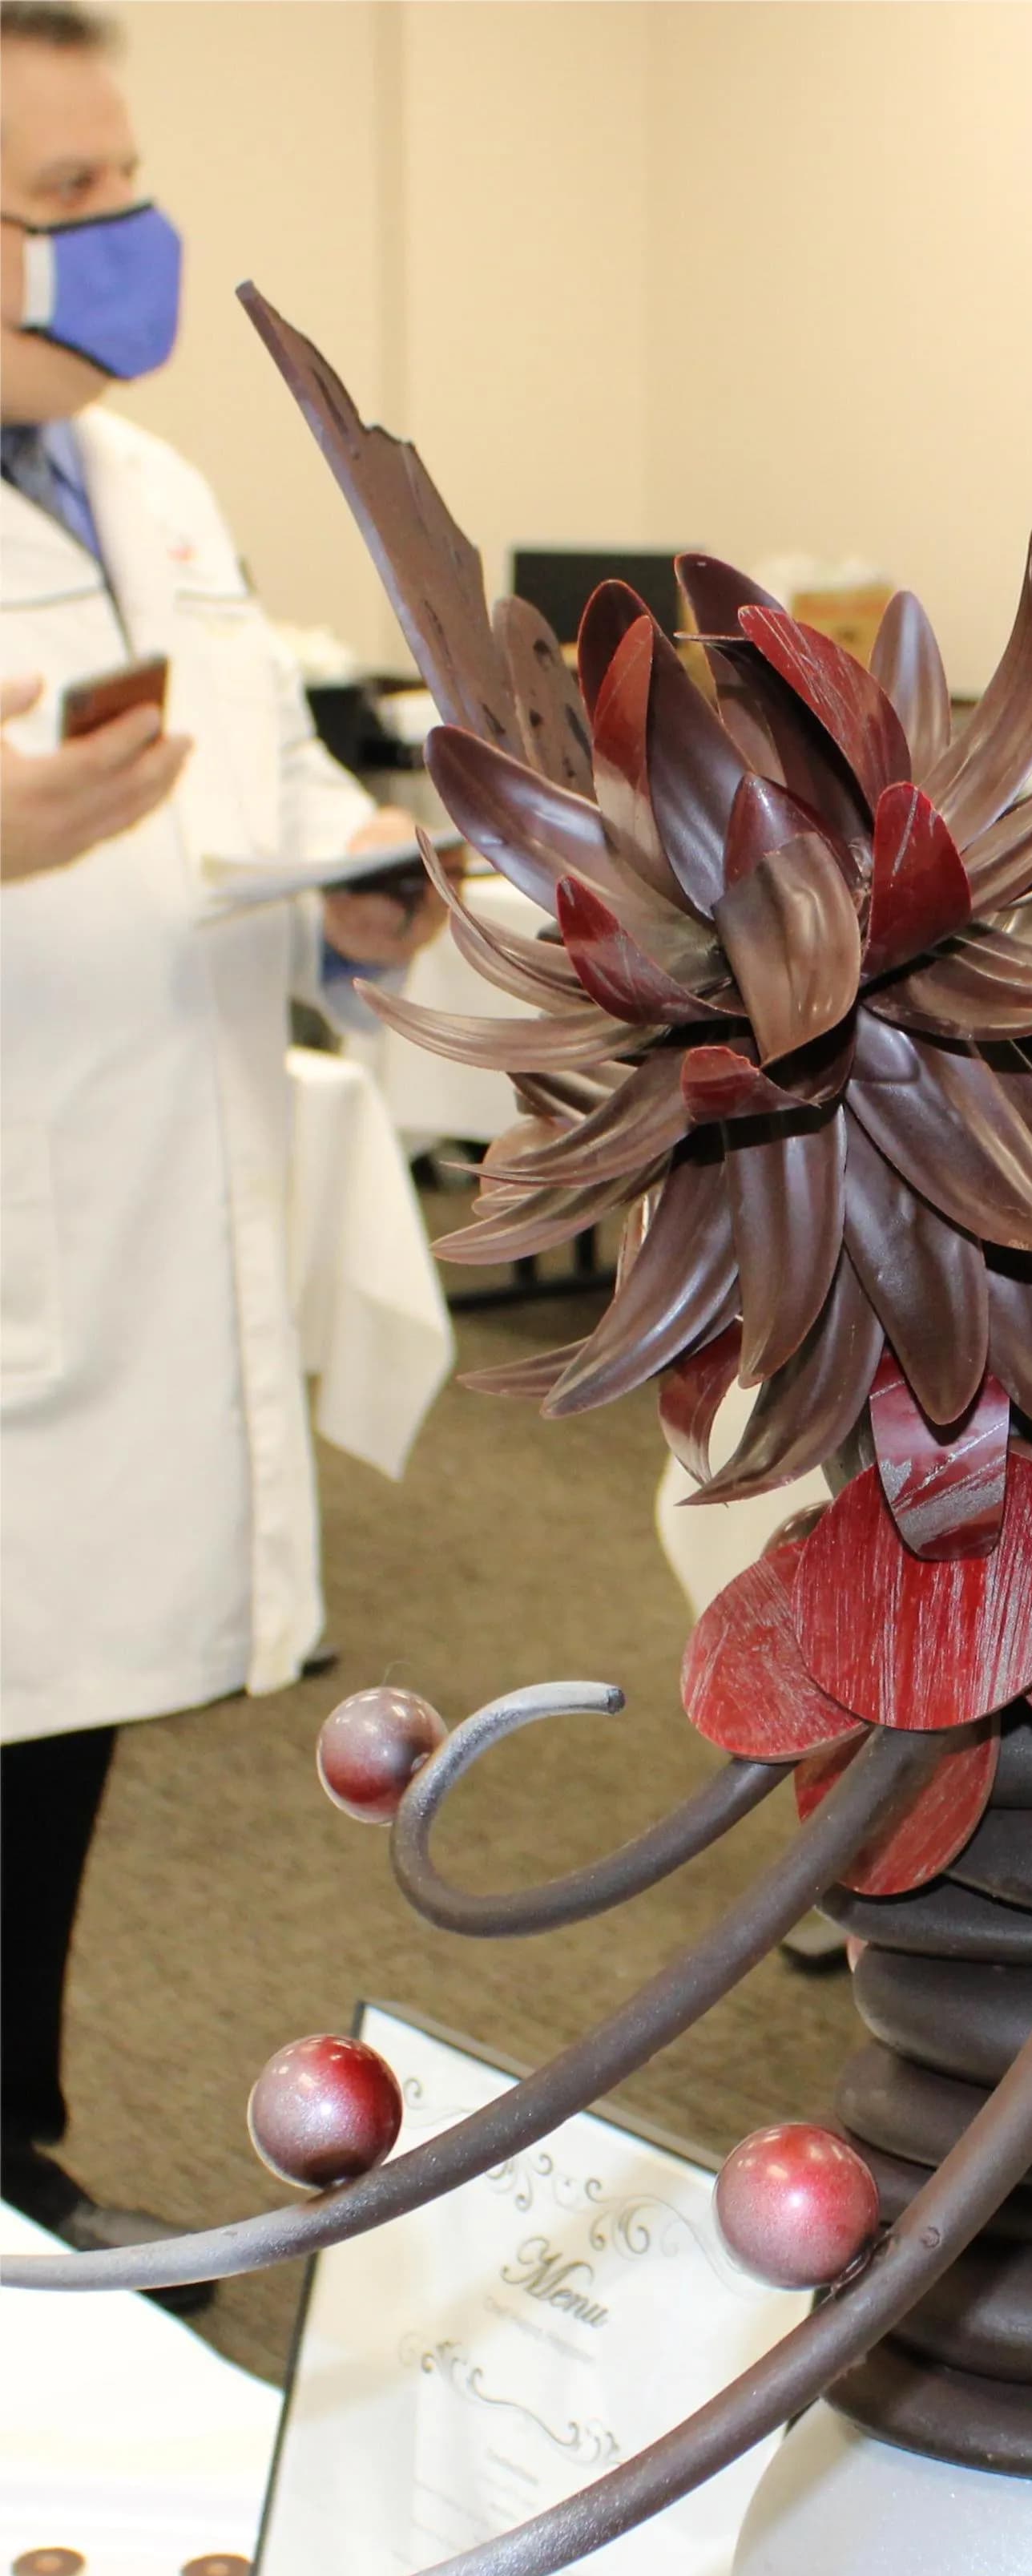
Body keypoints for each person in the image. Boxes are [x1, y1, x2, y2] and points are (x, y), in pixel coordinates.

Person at [0, 0, 441, 2265]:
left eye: (121, 183)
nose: (125, 243)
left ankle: (16, 2154)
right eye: (67, 207)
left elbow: (256, 799)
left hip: (138, 1222)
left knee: (51, 1736)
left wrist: (354, 880)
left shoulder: (149, 489)